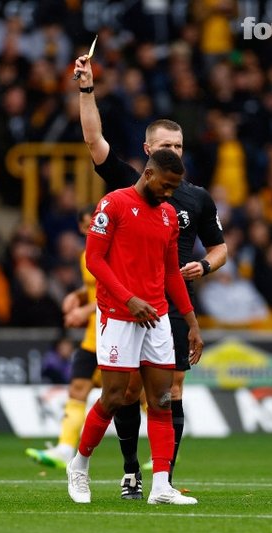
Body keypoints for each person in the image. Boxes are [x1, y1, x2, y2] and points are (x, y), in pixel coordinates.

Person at [74, 53, 227, 497]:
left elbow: (219, 248)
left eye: (179, 147)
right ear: (147, 154)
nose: (173, 153)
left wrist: (206, 265)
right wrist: (87, 90)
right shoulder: (123, 190)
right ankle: (127, 469)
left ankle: (164, 479)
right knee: (123, 391)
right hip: (126, 302)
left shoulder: (193, 198)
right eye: (166, 147)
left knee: (169, 389)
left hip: (169, 302)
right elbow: (93, 139)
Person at [65, 148, 203, 506]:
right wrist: (128, 299)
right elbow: (94, 259)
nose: (170, 193)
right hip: (117, 315)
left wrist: (190, 320)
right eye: (167, 185)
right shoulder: (113, 205)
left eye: (175, 187)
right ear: (149, 173)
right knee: (114, 398)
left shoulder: (169, 216)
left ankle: (160, 486)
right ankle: (79, 465)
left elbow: (172, 271)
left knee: (160, 399)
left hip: (155, 316)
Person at [24, 206, 103, 470]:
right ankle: (65, 448)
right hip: (93, 338)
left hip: (118, 336)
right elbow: (94, 289)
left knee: (133, 396)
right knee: (77, 389)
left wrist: (83, 309)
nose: (93, 228)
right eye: (88, 225)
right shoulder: (85, 256)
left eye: (97, 223)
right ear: (81, 228)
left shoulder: (113, 252)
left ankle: (161, 454)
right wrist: (79, 295)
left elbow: (116, 294)